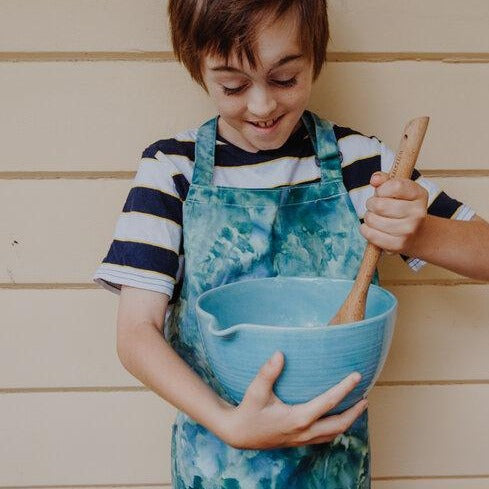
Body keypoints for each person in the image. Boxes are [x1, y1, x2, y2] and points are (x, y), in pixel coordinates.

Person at [93, 1, 489, 487]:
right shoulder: (170, 170)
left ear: (316, 56)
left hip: (336, 469)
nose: (262, 107)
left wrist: (421, 231)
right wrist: (230, 424)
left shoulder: (360, 165)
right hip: (215, 463)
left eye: (284, 79)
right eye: (233, 85)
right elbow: (136, 335)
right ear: (197, 65)